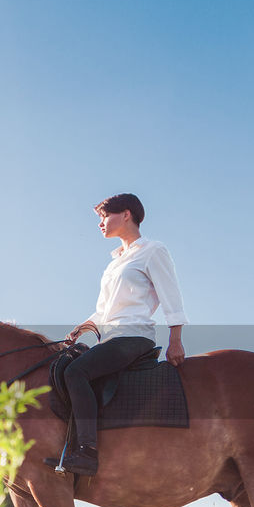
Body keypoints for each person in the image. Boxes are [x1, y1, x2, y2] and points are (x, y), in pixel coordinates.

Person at [44, 193, 187, 476]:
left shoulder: (152, 250)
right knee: (64, 367)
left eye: (105, 216)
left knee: (76, 373)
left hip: (134, 336)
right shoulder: (113, 264)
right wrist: (83, 326)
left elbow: (171, 296)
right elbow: (104, 310)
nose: (101, 223)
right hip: (109, 337)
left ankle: (87, 453)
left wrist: (176, 339)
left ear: (126, 215)